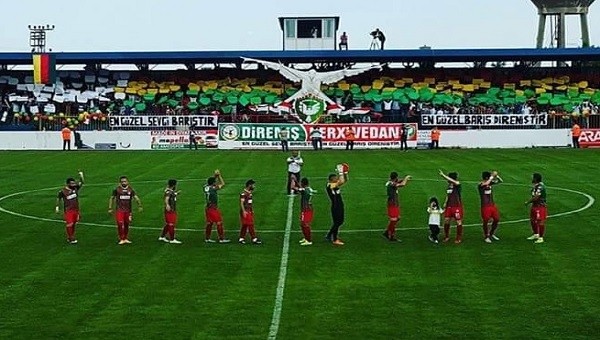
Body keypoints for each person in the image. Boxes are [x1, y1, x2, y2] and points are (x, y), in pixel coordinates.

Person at [108, 176, 143, 245]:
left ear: (127, 182)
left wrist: (140, 205)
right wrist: (110, 208)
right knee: (120, 223)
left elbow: (136, 197)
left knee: (127, 224)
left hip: (128, 211)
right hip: (119, 210)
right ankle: (121, 238)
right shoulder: (117, 189)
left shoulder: (131, 189)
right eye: (122, 182)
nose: (124, 183)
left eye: (125, 181)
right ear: (120, 182)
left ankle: (125, 238)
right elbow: (111, 198)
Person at [55, 170, 84, 244]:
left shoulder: (75, 188)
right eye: (72, 183)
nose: (74, 184)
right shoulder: (63, 191)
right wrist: (57, 207)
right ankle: (71, 238)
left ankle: (70, 236)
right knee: (69, 224)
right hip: (68, 210)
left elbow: (82, 182)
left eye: (74, 183)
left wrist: (81, 175)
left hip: (76, 209)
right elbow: (58, 198)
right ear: (68, 184)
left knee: (74, 224)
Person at [383, 172, 411, 242]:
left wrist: (403, 179)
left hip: (395, 204)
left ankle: (387, 232)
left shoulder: (391, 182)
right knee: (394, 220)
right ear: (395, 178)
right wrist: (406, 178)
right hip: (392, 204)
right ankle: (391, 236)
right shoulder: (391, 184)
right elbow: (402, 184)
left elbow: (399, 181)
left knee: (397, 218)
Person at [325, 163, 349, 245]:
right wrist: (340, 172)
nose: (337, 179)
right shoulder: (330, 185)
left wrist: (345, 173)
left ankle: (329, 235)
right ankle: (334, 239)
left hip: (338, 205)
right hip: (336, 206)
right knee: (338, 222)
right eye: (335, 178)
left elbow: (344, 181)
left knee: (338, 222)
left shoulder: (333, 184)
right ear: (331, 180)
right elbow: (341, 181)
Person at [204, 169, 230, 243]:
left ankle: (207, 238)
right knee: (219, 222)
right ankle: (221, 239)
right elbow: (223, 183)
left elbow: (210, 182)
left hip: (208, 208)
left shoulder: (206, 187)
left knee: (209, 223)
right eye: (215, 182)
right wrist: (219, 176)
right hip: (213, 208)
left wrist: (215, 176)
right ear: (213, 183)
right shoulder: (213, 188)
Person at [439, 170, 464, 244]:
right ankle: (446, 236)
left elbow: (455, 182)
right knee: (446, 220)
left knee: (458, 221)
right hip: (449, 206)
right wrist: (445, 203)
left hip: (456, 206)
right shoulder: (449, 186)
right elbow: (448, 195)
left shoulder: (457, 184)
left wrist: (443, 175)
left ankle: (458, 238)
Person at [478, 171, 503, 243]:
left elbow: (500, 181)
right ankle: (486, 236)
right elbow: (485, 183)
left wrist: (497, 176)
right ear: (486, 177)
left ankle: (491, 234)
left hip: (492, 205)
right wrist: (492, 176)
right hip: (485, 206)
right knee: (486, 220)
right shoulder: (481, 184)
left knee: (496, 219)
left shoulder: (490, 183)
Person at [525, 173, 547, 244]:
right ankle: (536, 234)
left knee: (540, 221)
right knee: (532, 220)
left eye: (533, 178)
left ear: (536, 179)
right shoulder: (536, 186)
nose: (532, 179)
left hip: (540, 207)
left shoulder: (540, 187)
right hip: (535, 206)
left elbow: (536, 197)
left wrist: (528, 202)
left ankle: (541, 238)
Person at [158, 179, 182, 244]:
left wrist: (177, 193)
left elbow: (172, 195)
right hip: (170, 210)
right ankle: (172, 239)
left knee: (169, 224)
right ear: (174, 185)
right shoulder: (168, 191)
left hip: (172, 209)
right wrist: (167, 205)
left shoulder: (170, 191)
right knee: (171, 224)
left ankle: (162, 237)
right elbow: (166, 198)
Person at [239, 179, 262, 245]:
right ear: (249, 185)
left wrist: (251, 210)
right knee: (250, 224)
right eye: (253, 185)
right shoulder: (244, 193)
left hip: (249, 211)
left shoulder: (249, 193)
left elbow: (249, 203)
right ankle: (254, 238)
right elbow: (241, 202)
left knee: (245, 225)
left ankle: (241, 238)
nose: (254, 186)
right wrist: (244, 211)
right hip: (245, 211)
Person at [294, 177, 316, 246]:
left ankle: (308, 240)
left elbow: (293, 187)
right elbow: (300, 188)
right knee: (302, 224)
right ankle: (306, 238)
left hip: (306, 209)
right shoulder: (308, 189)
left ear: (303, 184)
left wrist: (293, 180)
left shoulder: (304, 190)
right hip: (308, 208)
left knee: (305, 224)